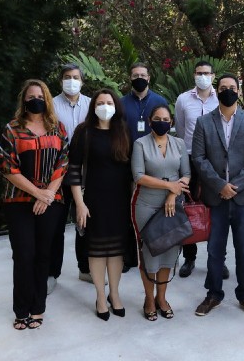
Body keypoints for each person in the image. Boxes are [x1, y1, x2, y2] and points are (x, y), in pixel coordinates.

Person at [191, 73, 244, 317]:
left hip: (243, 199)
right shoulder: (204, 123)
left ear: (239, 91)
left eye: (232, 87)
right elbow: (199, 159)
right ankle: (213, 294)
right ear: (216, 91)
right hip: (216, 198)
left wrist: (235, 186)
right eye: (223, 87)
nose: (228, 91)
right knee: (215, 250)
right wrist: (220, 185)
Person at [0, 79, 68, 330]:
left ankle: (38, 308)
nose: (35, 99)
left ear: (46, 99)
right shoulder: (13, 130)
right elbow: (8, 168)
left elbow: (63, 163)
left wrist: (47, 193)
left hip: (50, 200)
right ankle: (21, 309)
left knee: (42, 255)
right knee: (24, 254)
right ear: (23, 101)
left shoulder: (58, 129)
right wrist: (38, 194)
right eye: (30, 96)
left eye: (39, 95)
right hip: (18, 201)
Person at [68, 88, 132, 321]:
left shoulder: (123, 131)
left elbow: (131, 170)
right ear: (93, 106)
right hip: (92, 200)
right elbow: (73, 170)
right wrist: (79, 204)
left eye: (109, 102)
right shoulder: (83, 132)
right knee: (96, 250)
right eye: (100, 102)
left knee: (115, 251)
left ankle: (115, 294)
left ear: (116, 106)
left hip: (119, 201)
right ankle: (99, 296)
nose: (105, 106)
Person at [131, 106, 190, 321]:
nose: (162, 122)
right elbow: (138, 176)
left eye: (166, 119)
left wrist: (173, 194)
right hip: (146, 205)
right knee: (149, 252)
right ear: (150, 121)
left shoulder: (179, 143)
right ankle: (148, 298)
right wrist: (169, 187)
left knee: (169, 252)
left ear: (171, 121)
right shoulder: (140, 144)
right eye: (158, 119)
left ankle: (162, 298)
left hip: (173, 206)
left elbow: (186, 174)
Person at [173, 60, 228, 280]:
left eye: (206, 73)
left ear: (213, 76)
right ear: (194, 75)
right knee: (187, 207)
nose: (202, 76)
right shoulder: (183, 99)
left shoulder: (221, 98)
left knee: (216, 209)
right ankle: (190, 257)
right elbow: (180, 126)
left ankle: (218, 259)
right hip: (188, 159)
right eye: (198, 73)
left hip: (215, 160)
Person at [121, 61, 169, 274]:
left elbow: (167, 132)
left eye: (143, 74)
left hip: (154, 166)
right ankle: (129, 256)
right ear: (130, 78)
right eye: (135, 75)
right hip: (126, 164)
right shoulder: (121, 103)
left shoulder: (159, 101)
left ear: (149, 78)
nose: (139, 78)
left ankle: (155, 253)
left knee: (152, 214)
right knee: (128, 211)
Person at [49, 63, 92, 292]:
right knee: (55, 226)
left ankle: (85, 269)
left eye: (75, 77)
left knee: (84, 223)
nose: (71, 81)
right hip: (57, 174)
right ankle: (51, 273)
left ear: (82, 81)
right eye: (67, 77)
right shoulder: (51, 106)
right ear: (61, 80)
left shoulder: (92, 105)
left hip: (85, 174)